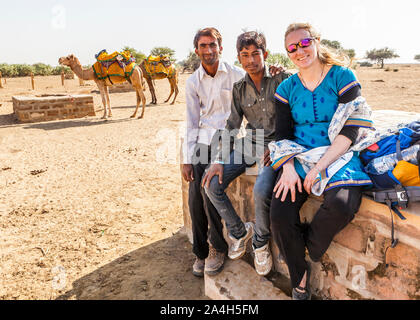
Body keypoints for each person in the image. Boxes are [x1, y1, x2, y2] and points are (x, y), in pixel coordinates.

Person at [269, 23, 373, 300]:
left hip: (338, 153)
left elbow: (350, 129)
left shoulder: (343, 76)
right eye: (292, 48)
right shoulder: (285, 88)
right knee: (279, 214)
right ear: (287, 53)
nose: (299, 51)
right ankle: (299, 276)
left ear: (316, 41)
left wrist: (319, 168)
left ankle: (309, 248)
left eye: (304, 43)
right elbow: (282, 133)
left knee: (341, 204)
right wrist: (288, 168)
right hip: (300, 155)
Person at [202, 31, 293, 276]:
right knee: (211, 183)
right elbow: (232, 125)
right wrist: (219, 160)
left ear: (265, 54)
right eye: (245, 55)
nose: (251, 60)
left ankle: (260, 242)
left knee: (262, 190)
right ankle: (241, 232)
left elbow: (295, 115)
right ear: (239, 58)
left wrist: (279, 148)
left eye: (255, 54)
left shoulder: (281, 78)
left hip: (276, 144)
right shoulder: (239, 88)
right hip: (250, 142)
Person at [182, 27, 246, 277]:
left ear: (221, 47)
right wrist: (186, 159)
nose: (208, 50)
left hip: (230, 138)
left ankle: (217, 248)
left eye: (212, 45)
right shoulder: (193, 81)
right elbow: (191, 120)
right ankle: (200, 252)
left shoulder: (236, 74)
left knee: (210, 186)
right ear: (196, 50)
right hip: (203, 141)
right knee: (194, 198)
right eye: (203, 46)